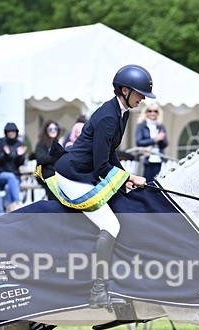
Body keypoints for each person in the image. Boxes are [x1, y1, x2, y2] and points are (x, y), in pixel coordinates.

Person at [53, 64, 150, 308]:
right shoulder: (108, 117)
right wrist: (129, 178)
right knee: (111, 224)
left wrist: (124, 177)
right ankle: (97, 293)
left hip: (87, 172)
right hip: (75, 176)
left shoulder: (122, 112)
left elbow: (110, 154)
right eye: (140, 94)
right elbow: (101, 166)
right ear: (125, 90)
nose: (143, 100)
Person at [0, 122, 26, 212]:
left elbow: (20, 163)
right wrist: (8, 154)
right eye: (9, 131)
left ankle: (9, 211)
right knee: (10, 177)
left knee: (9, 187)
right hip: (0, 175)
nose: (11, 133)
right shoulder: (1, 142)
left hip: (15, 176)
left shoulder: (19, 144)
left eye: (13, 131)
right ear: (6, 133)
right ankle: (18, 204)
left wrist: (19, 156)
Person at [135, 104, 167, 181]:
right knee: (146, 182)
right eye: (149, 111)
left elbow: (165, 144)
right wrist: (155, 139)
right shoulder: (141, 126)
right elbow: (138, 142)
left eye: (155, 111)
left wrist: (161, 139)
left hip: (158, 158)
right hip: (146, 159)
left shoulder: (161, 126)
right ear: (145, 112)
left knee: (156, 183)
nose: (152, 113)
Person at [33, 120, 62, 201]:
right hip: (45, 175)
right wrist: (55, 154)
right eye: (50, 129)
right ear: (46, 130)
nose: (53, 131)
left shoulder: (59, 143)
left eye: (55, 129)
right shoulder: (41, 144)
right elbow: (41, 159)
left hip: (58, 174)